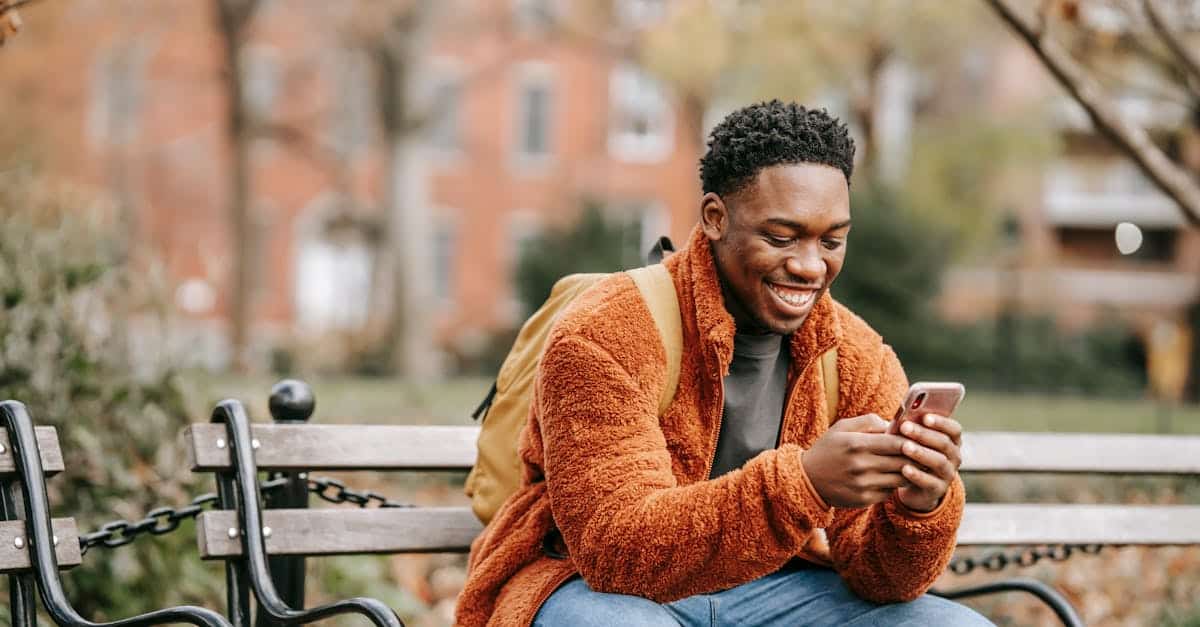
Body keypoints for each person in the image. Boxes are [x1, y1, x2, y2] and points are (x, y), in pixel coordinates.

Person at [455, 100, 993, 626]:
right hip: (588, 587)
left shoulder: (854, 355)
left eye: (832, 240)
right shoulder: (606, 330)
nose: (810, 266)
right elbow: (614, 552)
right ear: (715, 217)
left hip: (778, 589)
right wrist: (804, 484)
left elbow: (883, 582)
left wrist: (918, 505)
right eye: (781, 237)